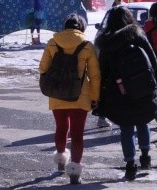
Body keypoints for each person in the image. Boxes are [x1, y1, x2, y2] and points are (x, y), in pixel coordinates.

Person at [95, 6, 157, 181]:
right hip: (142, 87)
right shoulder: (138, 35)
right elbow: (153, 60)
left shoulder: (107, 43)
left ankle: (130, 165)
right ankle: (145, 157)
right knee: (143, 120)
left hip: (119, 91)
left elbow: (102, 70)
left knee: (126, 128)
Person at [38, 14, 101, 185]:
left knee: (61, 127)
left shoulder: (52, 43)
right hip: (80, 96)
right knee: (78, 134)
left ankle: (60, 161)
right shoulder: (87, 45)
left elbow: (43, 68)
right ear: (81, 27)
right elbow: (94, 76)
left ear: (65, 27)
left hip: (57, 93)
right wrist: (95, 98)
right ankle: (74, 173)